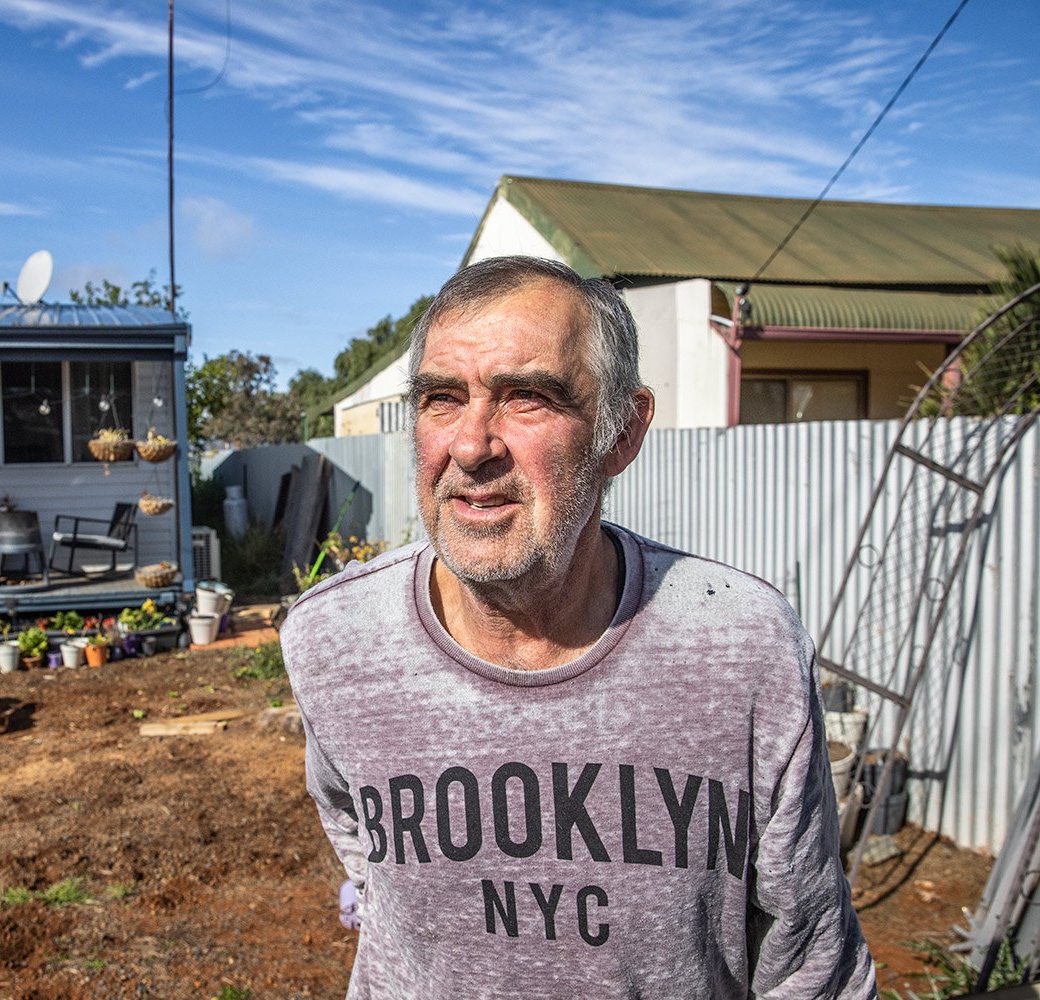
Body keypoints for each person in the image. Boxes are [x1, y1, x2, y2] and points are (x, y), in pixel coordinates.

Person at [281, 256, 875, 999]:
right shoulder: (333, 640)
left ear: (621, 433)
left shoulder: (739, 648)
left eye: (526, 397)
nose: (470, 446)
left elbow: (811, 962)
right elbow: (369, 861)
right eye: (441, 398)